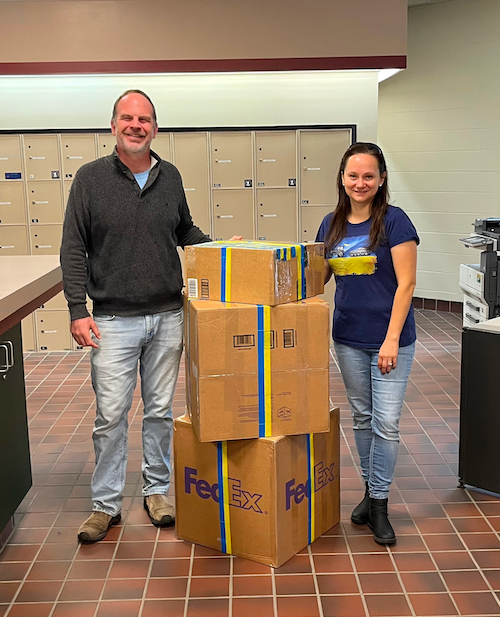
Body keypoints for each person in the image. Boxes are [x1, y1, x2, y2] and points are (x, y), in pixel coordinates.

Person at [60, 89, 213, 543]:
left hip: (167, 315)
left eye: (144, 119)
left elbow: (185, 230)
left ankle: (157, 491)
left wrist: (224, 252)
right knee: (110, 416)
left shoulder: (171, 177)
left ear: (155, 128)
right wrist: (76, 309)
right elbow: (73, 248)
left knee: (161, 411)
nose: (135, 125)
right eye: (127, 118)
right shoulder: (89, 179)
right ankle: (105, 505)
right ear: (113, 126)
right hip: (112, 320)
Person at [316, 142, 418, 545]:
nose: (360, 183)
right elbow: (318, 277)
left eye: (369, 176)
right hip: (348, 338)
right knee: (361, 418)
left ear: (382, 179)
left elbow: (407, 284)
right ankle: (369, 492)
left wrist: (391, 339)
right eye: (353, 175)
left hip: (390, 339)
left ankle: (379, 504)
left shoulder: (395, 221)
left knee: (386, 424)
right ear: (342, 177)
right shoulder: (332, 223)